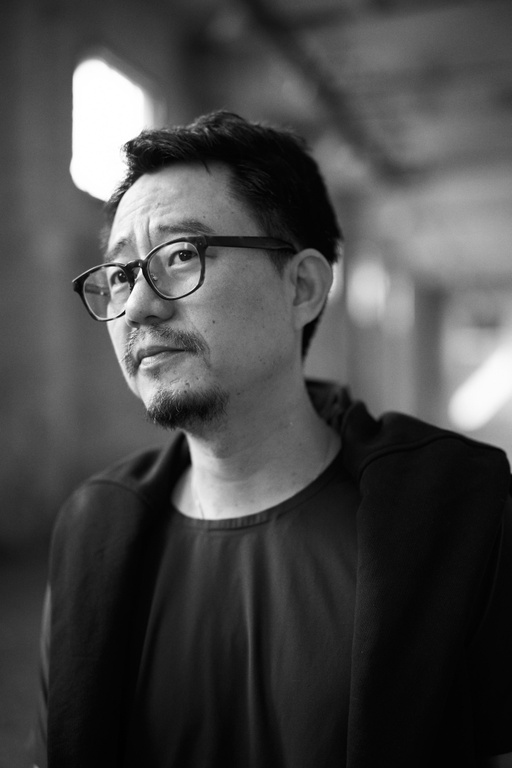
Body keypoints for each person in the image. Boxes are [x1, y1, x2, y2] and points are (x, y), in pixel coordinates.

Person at [34, 111, 512, 768]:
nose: (138, 306)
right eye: (120, 275)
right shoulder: (92, 529)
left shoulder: (461, 520)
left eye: (181, 255)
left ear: (303, 287)